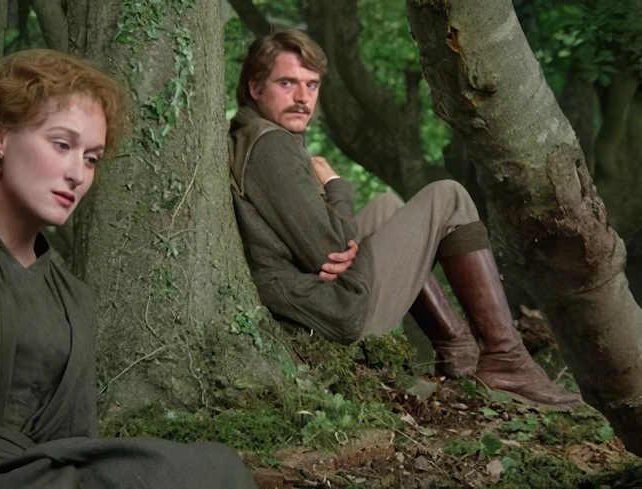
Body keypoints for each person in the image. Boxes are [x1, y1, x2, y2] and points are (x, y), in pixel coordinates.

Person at [0, 49, 256, 489]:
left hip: (29, 480)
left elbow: (76, 448)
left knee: (213, 469)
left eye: (91, 158)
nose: (78, 174)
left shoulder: (73, 299)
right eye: (62, 145)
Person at [228, 30, 580, 407]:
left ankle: (460, 352)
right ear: (255, 87)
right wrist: (335, 185)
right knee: (449, 197)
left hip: (307, 296)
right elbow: (330, 250)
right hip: (329, 308)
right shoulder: (271, 145)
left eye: (311, 85)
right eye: (287, 83)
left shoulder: (253, 132)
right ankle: (505, 359)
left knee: (387, 208)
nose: (303, 98)